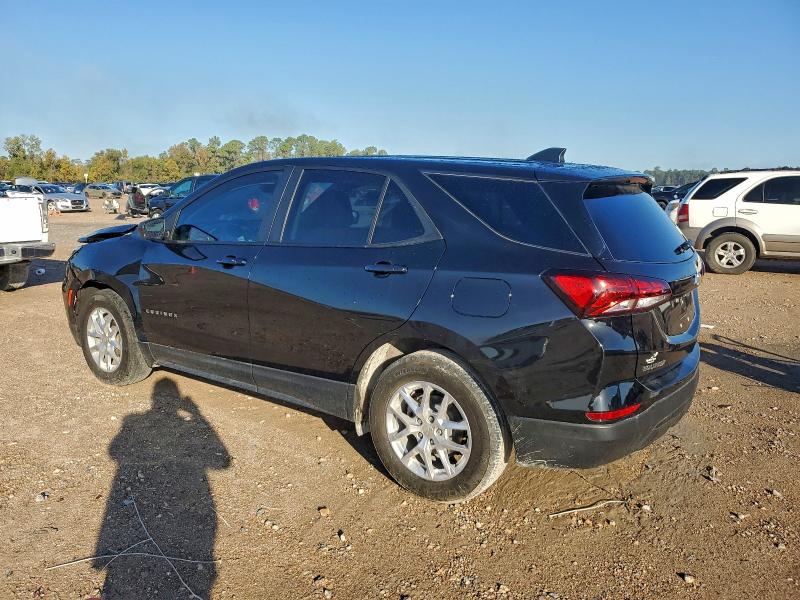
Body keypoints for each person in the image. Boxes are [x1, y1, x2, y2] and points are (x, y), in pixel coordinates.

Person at [94, 378, 230, 599]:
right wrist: (197, 415)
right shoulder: (139, 422)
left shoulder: (133, 421)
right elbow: (222, 462)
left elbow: (114, 451)